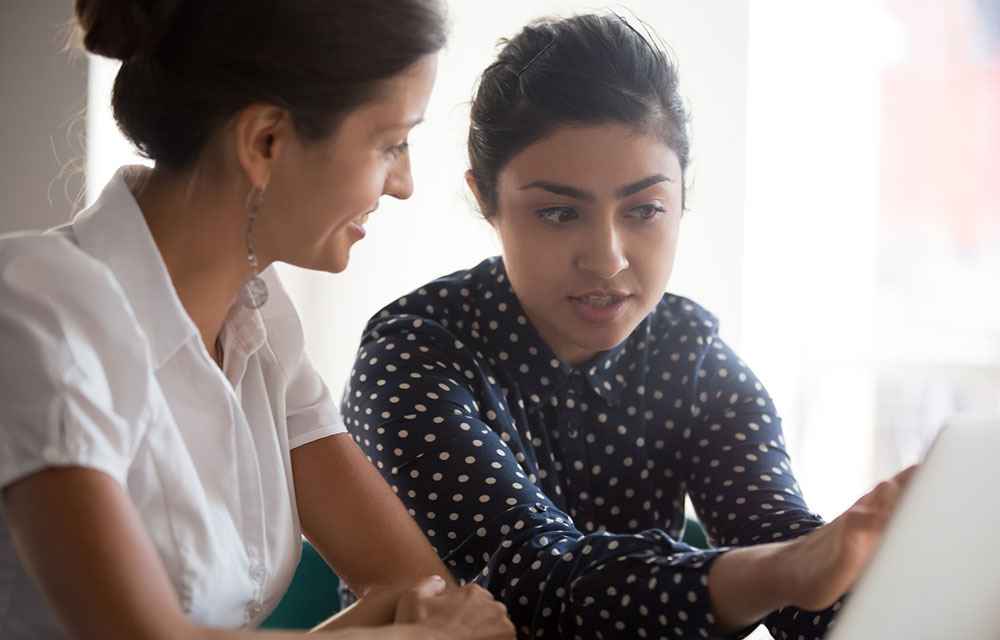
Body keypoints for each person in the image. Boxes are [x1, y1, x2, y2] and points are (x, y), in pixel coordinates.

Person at [342, 13, 913, 639]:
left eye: (644, 209)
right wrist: (785, 572)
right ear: (486, 198)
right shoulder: (414, 357)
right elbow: (535, 585)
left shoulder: (691, 358)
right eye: (560, 213)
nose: (608, 258)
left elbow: (787, 550)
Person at [0, 1, 516, 639]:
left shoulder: (262, 318)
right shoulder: (35, 310)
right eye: (391, 143)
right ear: (264, 141)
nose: (403, 183)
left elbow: (415, 587)